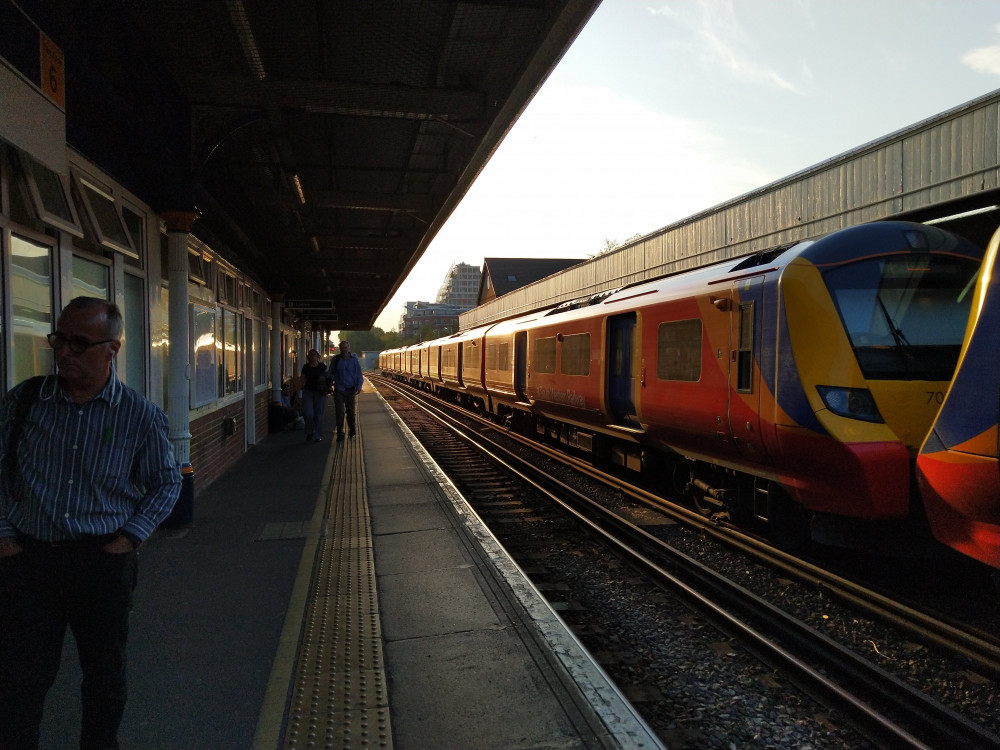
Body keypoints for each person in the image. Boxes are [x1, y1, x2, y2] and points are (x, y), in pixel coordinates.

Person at [0, 296, 181, 750]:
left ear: (112, 349)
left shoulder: (138, 415)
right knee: (22, 677)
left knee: (104, 674)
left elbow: (165, 482)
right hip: (30, 561)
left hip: (101, 563)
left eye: (79, 344)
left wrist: (132, 536)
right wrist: (4, 536)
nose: (64, 353)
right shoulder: (24, 402)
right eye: (60, 340)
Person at [330, 339, 364, 441]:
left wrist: (359, 386)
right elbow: (330, 372)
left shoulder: (354, 360)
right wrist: (330, 380)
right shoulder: (336, 360)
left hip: (350, 389)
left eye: (345, 347)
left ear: (349, 348)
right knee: (339, 411)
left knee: (350, 411)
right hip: (339, 389)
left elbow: (358, 374)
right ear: (339, 349)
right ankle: (340, 432)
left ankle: (352, 428)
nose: (343, 350)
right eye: (342, 348)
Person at [299, 348, 332, 442]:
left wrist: (324, 379)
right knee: (308, 413)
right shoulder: (306, 367)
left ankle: (318, 435)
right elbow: (302, 380)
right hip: (308, 392)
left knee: (318, 415)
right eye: (311, 355)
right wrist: (299, 393)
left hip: (320, 392)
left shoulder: (322, 367)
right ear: (308, 357)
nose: (313, 356)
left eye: (315, 355)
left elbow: (329, 377)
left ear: (318, 357)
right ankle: (310, 431)